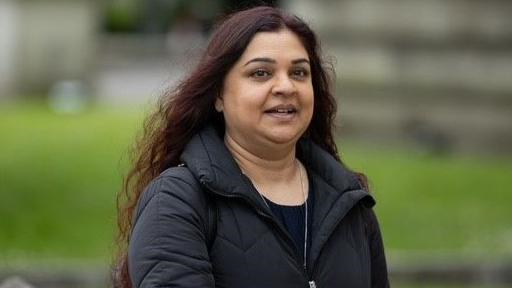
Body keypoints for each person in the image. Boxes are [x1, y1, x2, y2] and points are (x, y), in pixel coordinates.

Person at [115, 6, 389, 288]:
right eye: (261, 73)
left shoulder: (351, 202)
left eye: (299, 73)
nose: (285, 86)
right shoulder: (177, 202)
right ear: (218, 95)